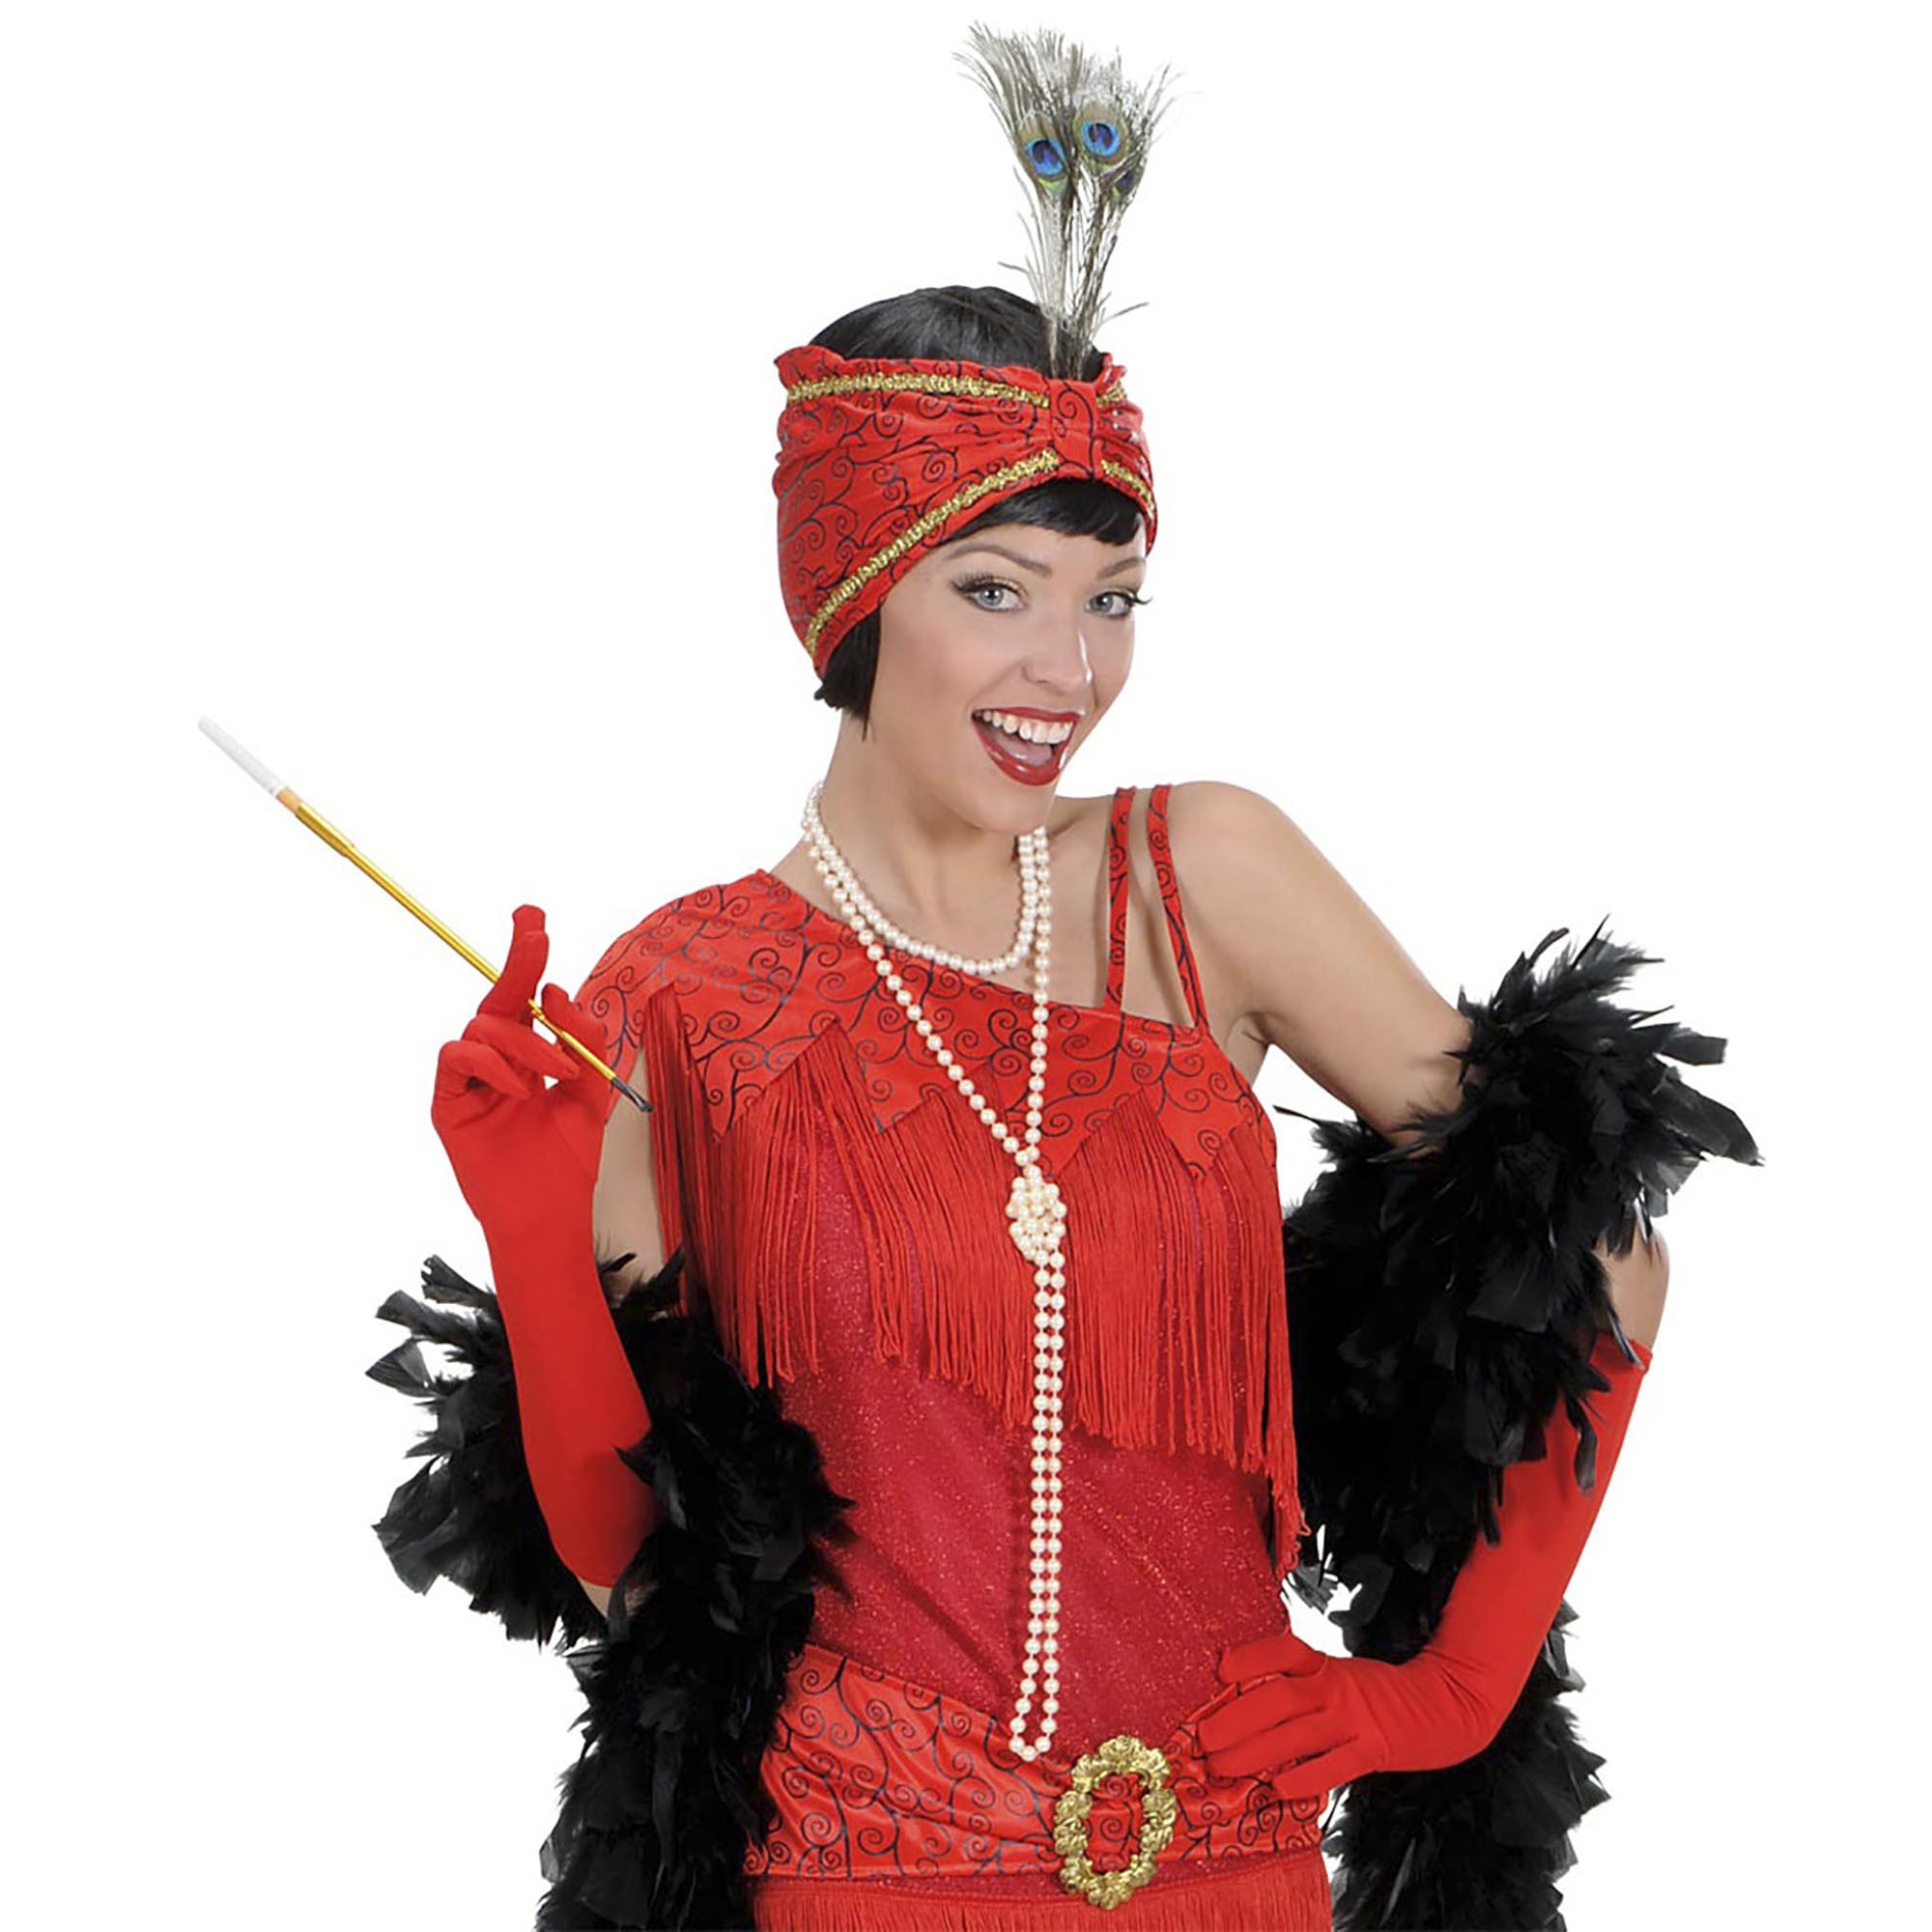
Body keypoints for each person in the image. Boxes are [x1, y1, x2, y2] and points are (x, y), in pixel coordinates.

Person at [371, 33, 1758, 1932]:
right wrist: (537, 1238)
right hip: (857, 1881)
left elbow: (1590, 1244)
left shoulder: (1207, 878)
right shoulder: (677, 995)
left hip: (1229, 1857)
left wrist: (1446, 1690)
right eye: (996, 591)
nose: (1070, 673)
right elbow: (640, 1579)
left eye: (1110, 602)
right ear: (852, 598)